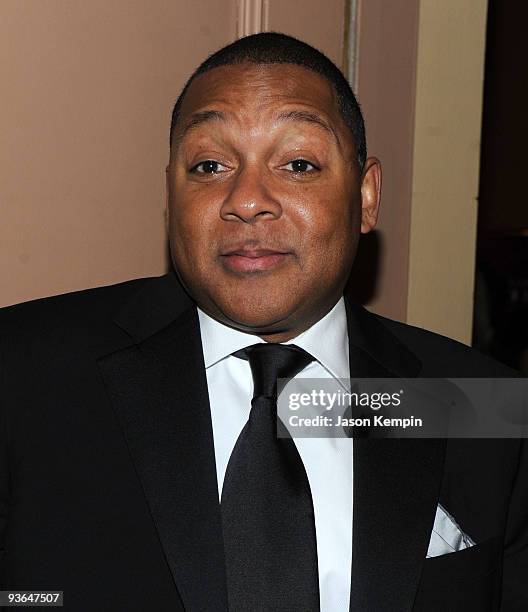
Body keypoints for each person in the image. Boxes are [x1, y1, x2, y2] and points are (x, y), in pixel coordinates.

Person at [0, 32, 526, 612]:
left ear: (367, 194)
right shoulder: (22, 377)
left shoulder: (480, 405)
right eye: (209, 164)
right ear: (170, 194)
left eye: (298, 164)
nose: (247, 199)